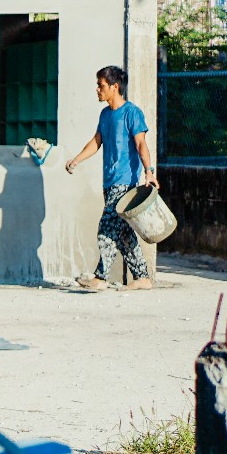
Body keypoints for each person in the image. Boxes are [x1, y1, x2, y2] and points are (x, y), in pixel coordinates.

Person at [63, 65, 158, 291]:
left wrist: (149, 171)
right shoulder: (105, 114)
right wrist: (76, 159)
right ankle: (143, 277)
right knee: (123, 232)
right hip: (109, 182)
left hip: (125, 184)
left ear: (115, 87)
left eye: (101, 85)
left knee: (106, 227)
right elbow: (97, 142)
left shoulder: (132, 113)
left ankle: (100, 277)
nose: (97, 89)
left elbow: (141, 143)